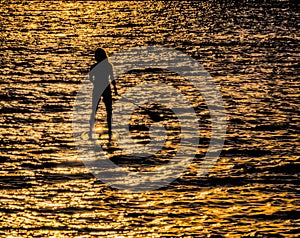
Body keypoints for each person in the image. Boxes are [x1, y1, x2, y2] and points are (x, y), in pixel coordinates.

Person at [89, 48, 118, 141]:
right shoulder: (108, 66)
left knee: (94, 110)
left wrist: (95, 82)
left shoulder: (94, 66)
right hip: (106, 89)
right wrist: (115, 89)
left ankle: (90, 131)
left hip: (98, 89)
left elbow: (90, 77)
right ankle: (110, 131)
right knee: (108, 110)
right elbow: (112, 78)